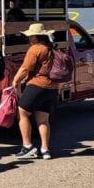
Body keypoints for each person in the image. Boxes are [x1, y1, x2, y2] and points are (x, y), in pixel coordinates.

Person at [10, 23, 57, 160]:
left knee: (22, 112)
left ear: (36, 37)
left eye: (31, 36)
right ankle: (45, 150)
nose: (29, 39)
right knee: (43, 119)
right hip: (52, 87)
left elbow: (25, 68)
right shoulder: (51, 48)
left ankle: (27, 146)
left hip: (36, 85)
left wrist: (15, 80)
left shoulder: (35, 49)